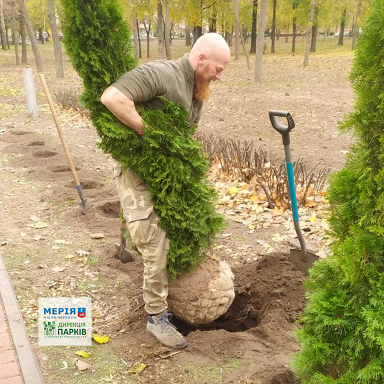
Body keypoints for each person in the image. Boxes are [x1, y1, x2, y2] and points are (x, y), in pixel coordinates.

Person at [101, 33, 230, 349]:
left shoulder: (195, 90)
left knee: (179, 228)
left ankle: (169, 289)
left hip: (167, 174)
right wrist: (147, 131)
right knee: (155, 240)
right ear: (201, 60)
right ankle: (157, 319)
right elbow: (112, 97)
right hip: (139, 174)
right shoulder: (162, 74)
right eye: (217, 68)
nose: (219, 76)